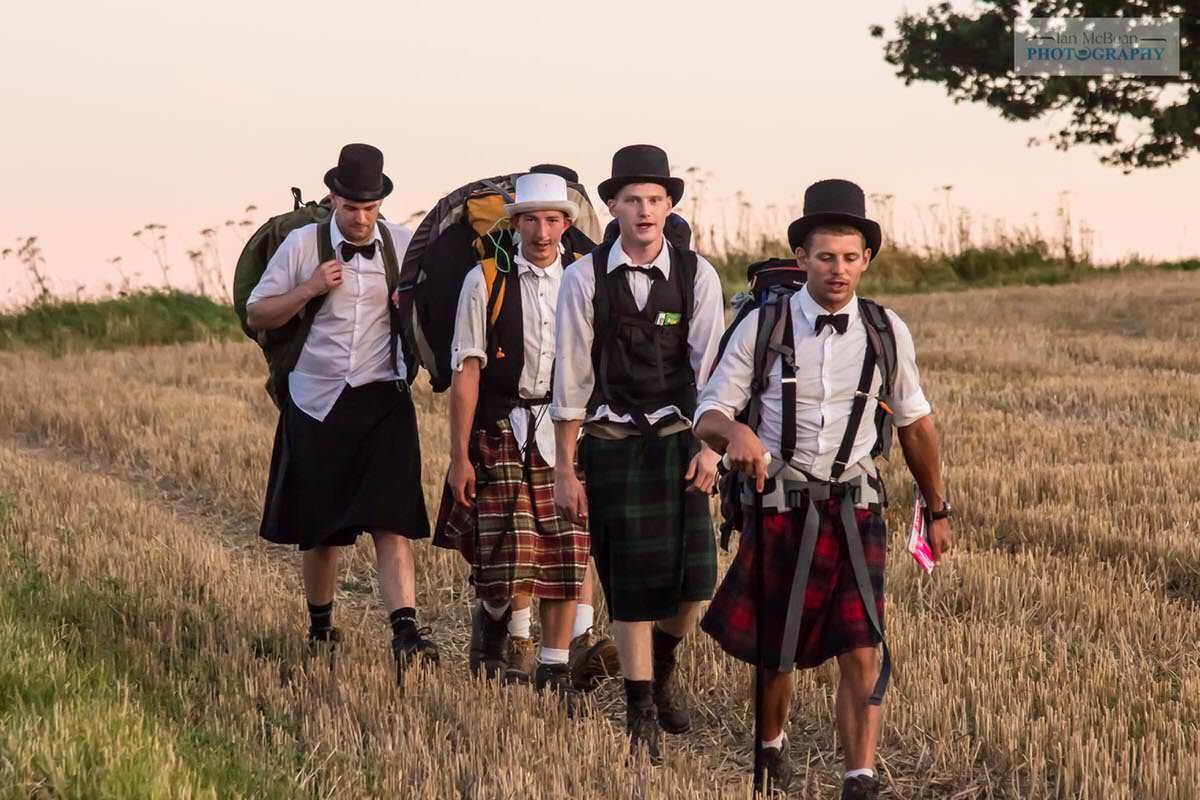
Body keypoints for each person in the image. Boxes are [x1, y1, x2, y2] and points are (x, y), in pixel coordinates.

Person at [694, 179, 954, 798]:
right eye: (825, 256)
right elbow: (707, 413)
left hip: (856, 504)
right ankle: (771, 746)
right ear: (802, 258)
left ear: (866, 260)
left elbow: (915, 422)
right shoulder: (761, 326)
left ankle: (858, 776)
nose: (838, 270)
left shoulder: (887, 330)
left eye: (849, 257)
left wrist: (937, 508)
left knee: (861, 640)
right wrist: (736, 434)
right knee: (777, 651)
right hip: (780, 503)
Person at [552, 144, 725, 763]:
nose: (645, 210)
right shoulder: (582, 277)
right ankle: (639, 706)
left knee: (694, 581)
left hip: (682, 440)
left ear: (670, 204)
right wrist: (564, 470)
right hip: (612, 442)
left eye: (655, 199)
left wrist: (712, 450)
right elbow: (570, 380)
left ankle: (667, 664)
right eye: (632, 200)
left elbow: (712, 371)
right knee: (628, 584)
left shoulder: (698, 274)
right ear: (613, 208)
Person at [246, 143, 438, 681]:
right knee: (321, 530)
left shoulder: (401, 245)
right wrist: (309, 289)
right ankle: (321, 626)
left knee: (391, 520)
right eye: (352, 207)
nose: (360, 218)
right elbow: (257, 311)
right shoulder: (301, 245)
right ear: (333, 197)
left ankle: (405, 631)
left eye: (370, 208)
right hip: (316, 399)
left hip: (383, 396)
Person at [433, 171, 618, 700]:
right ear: (515, 223)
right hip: (502, 425)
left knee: (565, 553)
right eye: (532, 219)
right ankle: (495, 621)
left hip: (568, 429)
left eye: (553, 219)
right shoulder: (485, 280)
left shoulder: (585, 278)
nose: (543, 231)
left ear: (566, 223)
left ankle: (552, 665)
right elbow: (466, 370)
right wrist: (459, 456)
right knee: (508, 558)